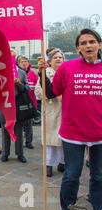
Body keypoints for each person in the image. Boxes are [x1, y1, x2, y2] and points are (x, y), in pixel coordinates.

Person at [38, 28, 102, 210]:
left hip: (99, 135)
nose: (88, 45)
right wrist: (41, 72)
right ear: (78, 48)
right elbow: (51, 93)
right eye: (83, 43)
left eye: (92, 42)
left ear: (99, 45)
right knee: (71, 176)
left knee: (98, 177)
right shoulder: (67, 68)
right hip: (72, 134)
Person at [35, 48, 65, 177]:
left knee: (63, 141)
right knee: (49, 141)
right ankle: (48, 164)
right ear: (50, 61)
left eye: (60, 57)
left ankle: (62, 162)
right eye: (55, 57)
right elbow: (37, 92)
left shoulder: (67, 72)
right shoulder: (44, 73)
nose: (58, 59)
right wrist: (50, 95)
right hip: (50, 111)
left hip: (64, 111)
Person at [0, 57, 29, 163]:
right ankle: (5, 153)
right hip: (5, 105)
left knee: (19, 131)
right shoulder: (1, 71)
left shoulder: (21, 73)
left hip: (18, 106)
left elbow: (27, 89)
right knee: (5, 130)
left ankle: (20, 153)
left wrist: (18, 83)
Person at [17, 55, 38, 149]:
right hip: (19, 104)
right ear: (18, 63)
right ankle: (19, 142)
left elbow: (37, 87)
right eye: (22, 61)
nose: (24, 63)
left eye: (26, 61)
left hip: (30, 103)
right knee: (19, 125)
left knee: (29, 124)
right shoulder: (17, 74)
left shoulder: (33, 74)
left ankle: (29, 142)